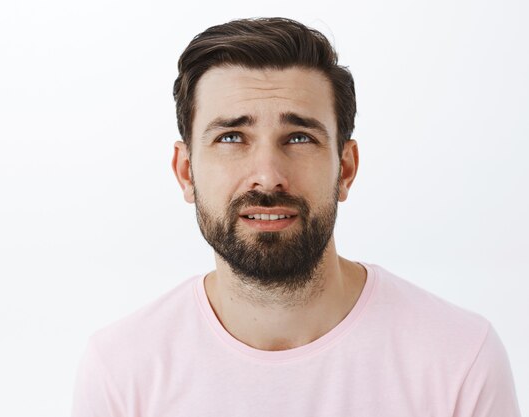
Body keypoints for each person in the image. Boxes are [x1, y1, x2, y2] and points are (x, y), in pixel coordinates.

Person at [71, 17, 521, 416]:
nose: (268, 177)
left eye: (300, 137)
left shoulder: (459, 358)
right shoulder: (121, 371)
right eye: (231, 137)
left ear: (345, 168)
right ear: (186, 171)